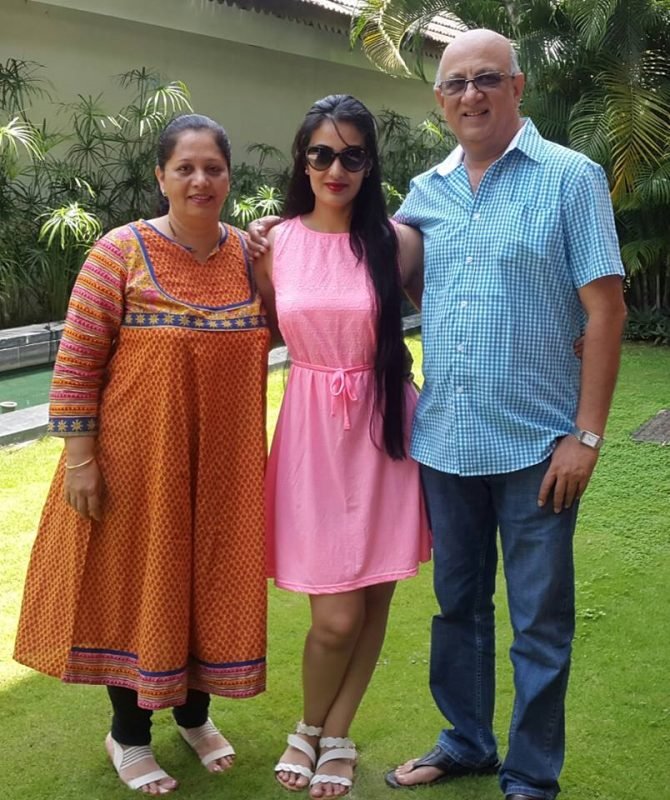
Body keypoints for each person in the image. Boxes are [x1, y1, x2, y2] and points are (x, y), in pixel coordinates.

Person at [379, 28, 627, 800]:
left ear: (518, 88)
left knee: (541, 623)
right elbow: (384, 277)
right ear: (439, 102)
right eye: (456, 84)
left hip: (538, 449)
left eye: (488, 79)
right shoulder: (427, 190)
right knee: (458, 609)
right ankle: (467, 741)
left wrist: (586, 437)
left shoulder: (569, 178)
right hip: (446, 442)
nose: (471, 95)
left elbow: (607, 312)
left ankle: (529, 775)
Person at [14, 114, 270, 795]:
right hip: (136, 466)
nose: (199, 180)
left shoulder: (251, 256)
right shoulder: (118, 252)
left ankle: (195, 715)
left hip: (226, 467)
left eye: (212, 168)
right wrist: (80, 459)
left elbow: (314, 316)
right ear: (161, 176)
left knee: (212, 584)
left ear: (228, 177)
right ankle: (128, 735)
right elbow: (75, 364)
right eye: (184, 167)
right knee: (137, 590)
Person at [252, 94, 430, 799]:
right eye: (322, 153)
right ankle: (308, 725)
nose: (335, 167)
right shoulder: (272, 244)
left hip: (387, 430)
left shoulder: (400, 242)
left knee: (374, 599)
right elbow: (251, 336)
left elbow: (457, 311)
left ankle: (336, 735)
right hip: (312, 437)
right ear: (303, 159)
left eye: (351, 154)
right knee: (335, 617)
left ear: (369, 164)